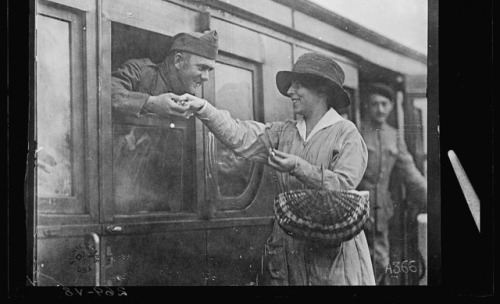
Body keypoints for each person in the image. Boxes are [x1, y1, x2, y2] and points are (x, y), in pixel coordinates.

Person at [176, 52, 375, 285]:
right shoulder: (285, 132)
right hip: (290, 250)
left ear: (322, 91)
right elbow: (241, 136)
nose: (290, 91)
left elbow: (343, 186)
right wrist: (204, 108)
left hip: (332, 253)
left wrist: (298, 167)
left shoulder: (346, 133)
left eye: (298, 86)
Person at [111, 30, 218, 213]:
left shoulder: (193, 95)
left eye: (209, 70)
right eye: (201, 68)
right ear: (178, 61)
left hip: (160, 204)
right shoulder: (140, 71)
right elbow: (106, 91)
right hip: (117, 194)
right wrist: (150, 103)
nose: (206, 77)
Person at [358, 83, 427, 285]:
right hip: (357, 211)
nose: (380, 109)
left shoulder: (394, 135)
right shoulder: (357, 131)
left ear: (390, 106)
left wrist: (432, 198)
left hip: (381, 214)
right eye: (374, 104)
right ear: (367, 107)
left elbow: (410, 172)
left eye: (384, 104)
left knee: (380, 263)